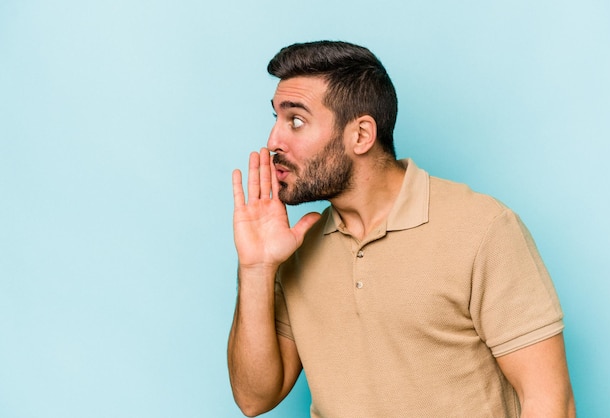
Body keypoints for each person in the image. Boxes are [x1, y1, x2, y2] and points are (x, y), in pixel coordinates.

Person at [227, 40, 575, 417]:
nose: (273, 141)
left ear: (361, 135)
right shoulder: (296, 249)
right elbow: (254, 398)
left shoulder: (483, 228)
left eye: (295, 120)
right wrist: (257, 269)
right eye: (276, 119)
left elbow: (550, 401)